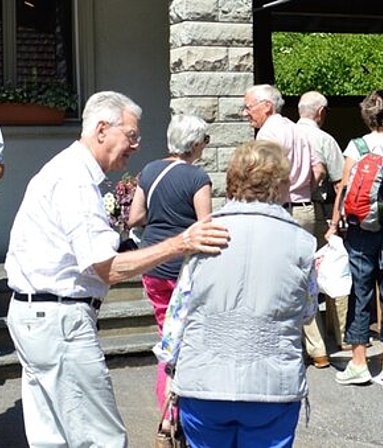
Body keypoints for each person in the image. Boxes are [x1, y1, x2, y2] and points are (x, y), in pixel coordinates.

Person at [4, 91, 230, 447]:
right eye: (132, 135)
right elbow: (106, 269)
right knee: (102, 439)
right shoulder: (75, 180)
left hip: (39, 315)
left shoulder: (66, 171)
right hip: (58, 321)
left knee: (54, 438)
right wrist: (181, 242)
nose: (137, 146)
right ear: (102, 129)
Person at [164, 139, 317, 447]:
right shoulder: (301, 243)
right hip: (272, 384)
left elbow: (178, 312)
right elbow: (307, 311)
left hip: (204, 381)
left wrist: (170, 364)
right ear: (280, 184)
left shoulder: (206, 233)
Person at [127, 114, 212, 430]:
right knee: (185, 337)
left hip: (152, 264)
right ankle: (178, 407)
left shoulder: (149, 170)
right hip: (183, 267)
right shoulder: (197, 178)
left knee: (167, 332)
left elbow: (135, 217)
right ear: (193, 143)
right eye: (205, 140)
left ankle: (168, 405)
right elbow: (206, 227)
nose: (205, 146)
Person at [243, 83, 330, 368]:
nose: (246, 114)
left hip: (282, 209)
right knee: (305, 278)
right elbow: (319, 169)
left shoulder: (268, 132)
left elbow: (263, 174)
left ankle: (285, 347)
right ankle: (318, 349)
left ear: (266, 106)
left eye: (249, 107)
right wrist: (304, 187)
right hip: (306, 209)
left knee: (277, 280)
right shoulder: (298, 130)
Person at [326, 89, 383, 384]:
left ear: (366, 115)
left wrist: (334, 224)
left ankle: (359, 362)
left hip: (360, 226)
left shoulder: (355, 146)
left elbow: (345, 188)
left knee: (360, 289)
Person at [296, 90, 348, 351]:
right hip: (316, 211)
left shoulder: (283, 136)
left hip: (287, 211)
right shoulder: (325, 140)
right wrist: (337, 224)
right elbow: (341, 185)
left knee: (300, 277)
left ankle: (315, 348)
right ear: (321, 113)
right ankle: (340, 337)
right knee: (330, 271)